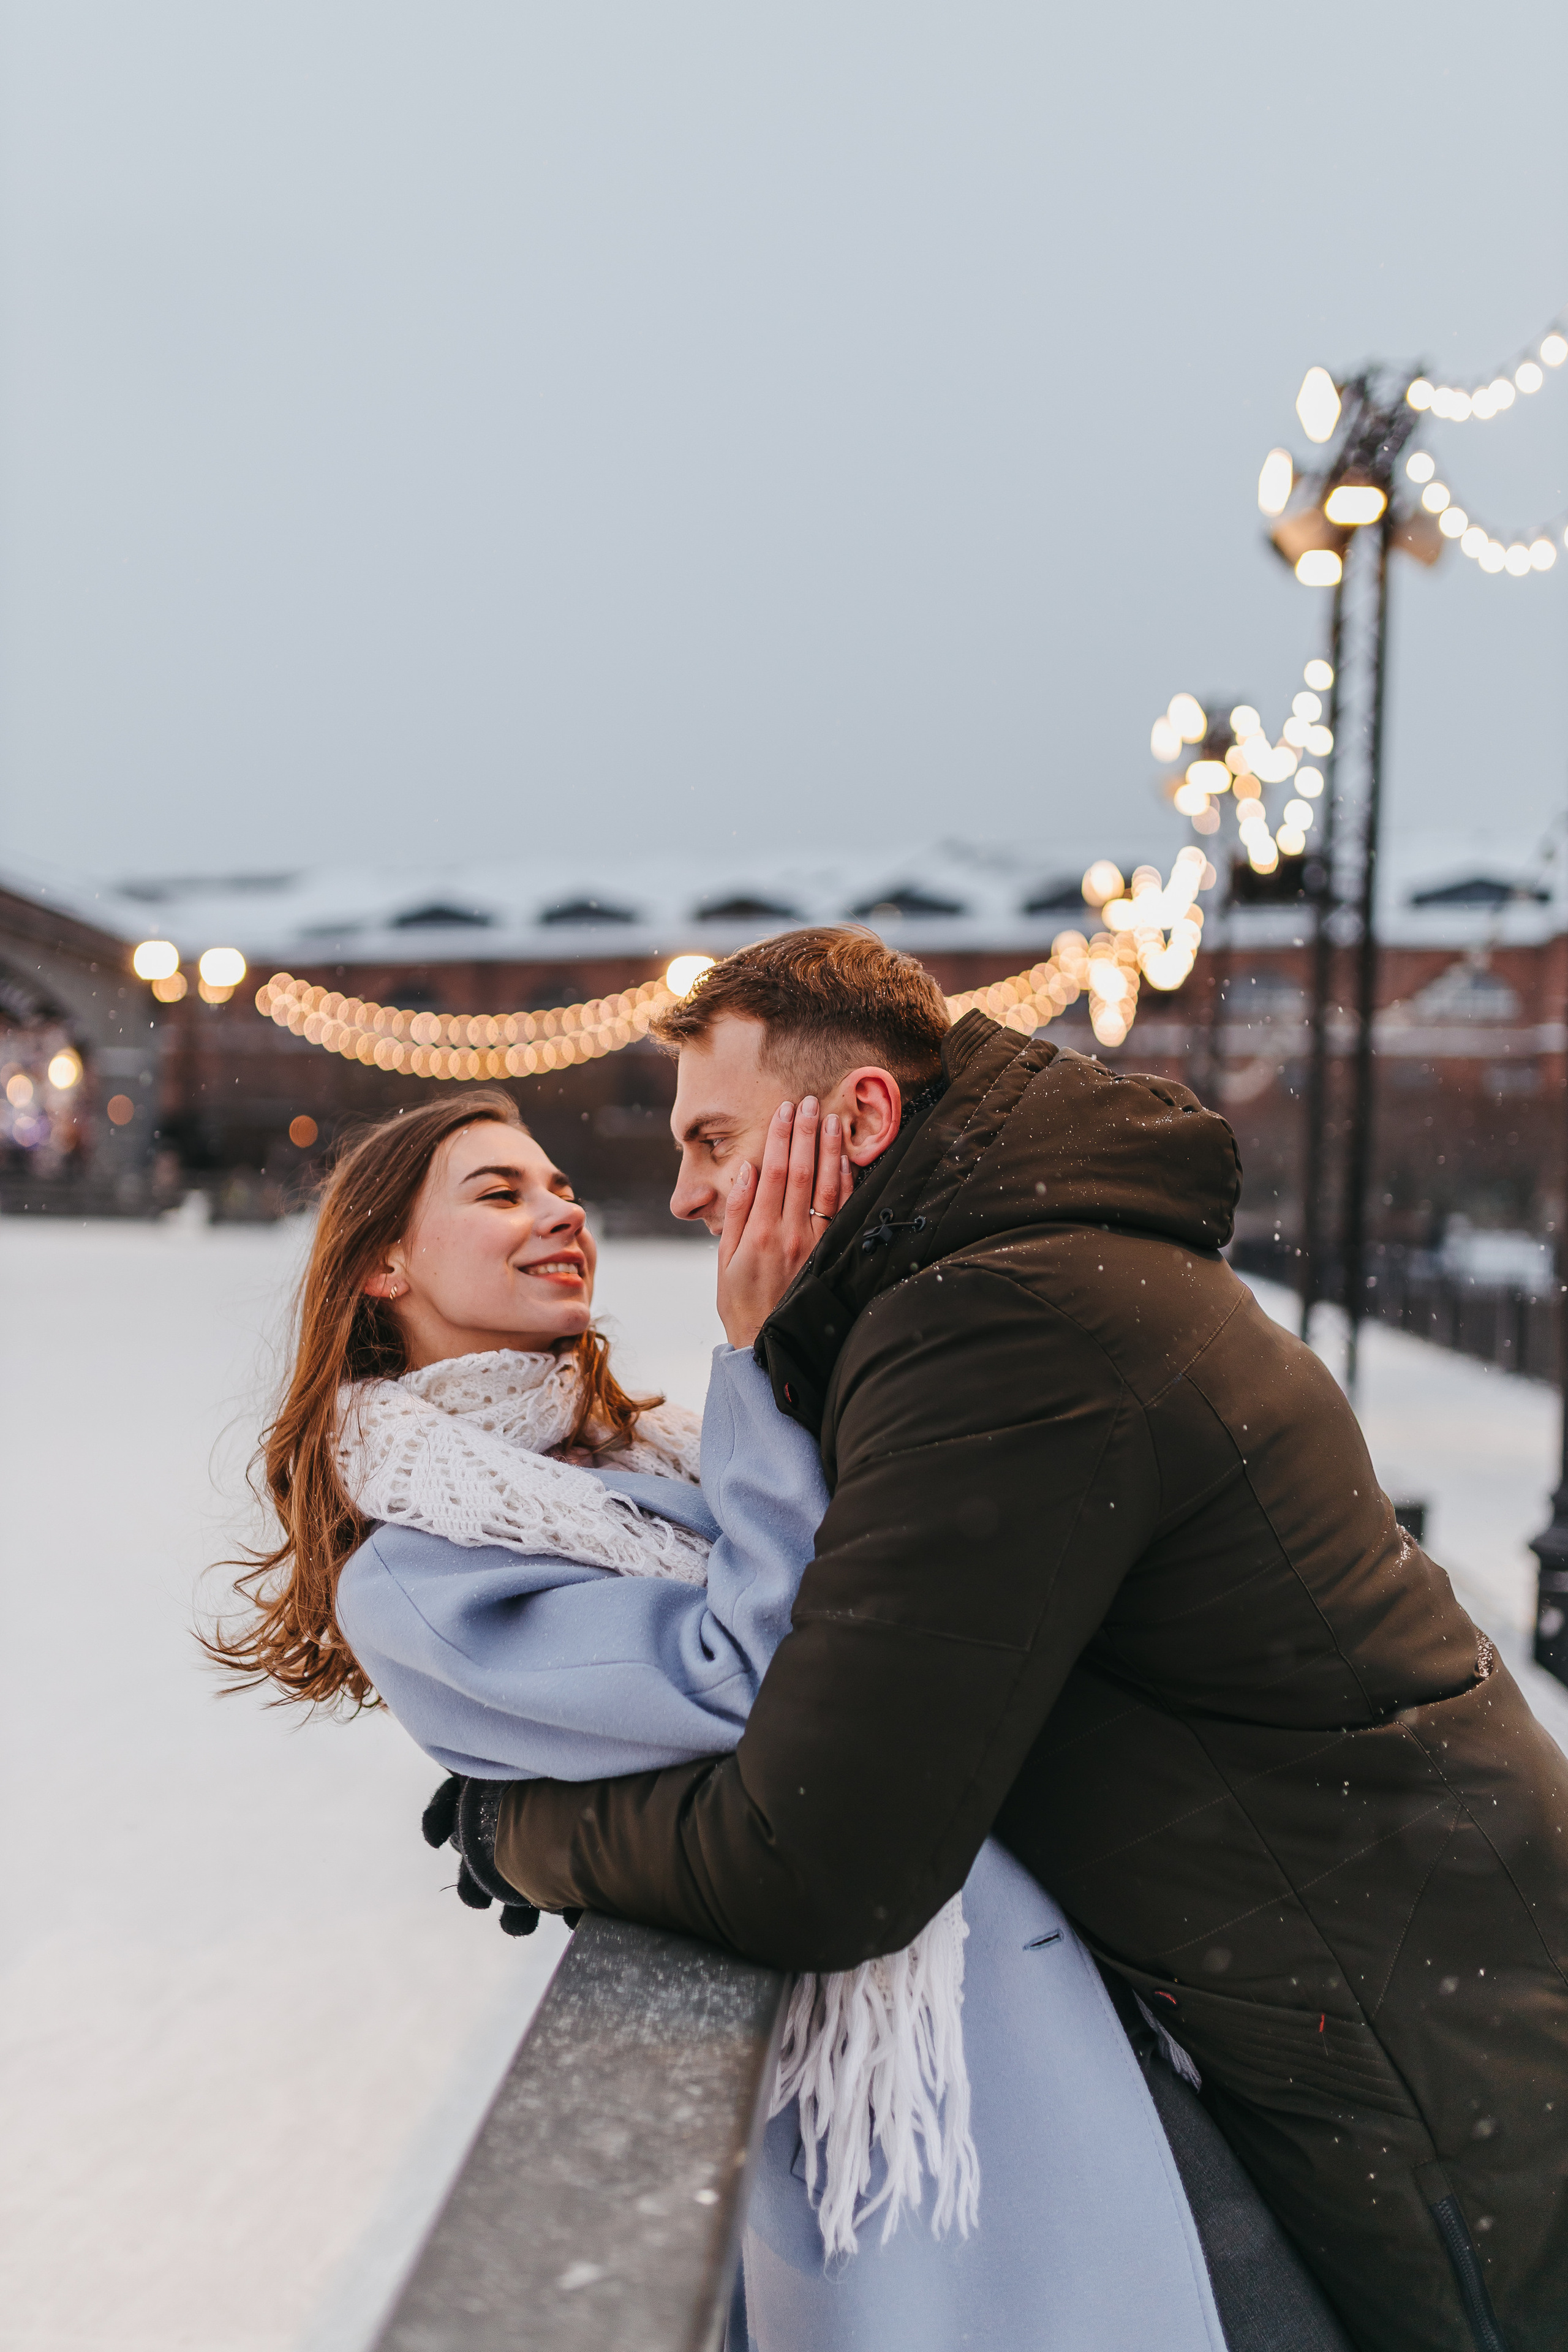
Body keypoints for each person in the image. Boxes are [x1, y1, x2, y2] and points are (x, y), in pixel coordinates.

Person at [466, 925, 1568, 2352]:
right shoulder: (1012, 1277)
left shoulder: (998, 1328)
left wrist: (515, 1829)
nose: (681, 1193)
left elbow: (816, 1859)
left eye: (715, 1142)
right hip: (1412, 1982)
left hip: (1413, 2044)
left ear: (856, 1118)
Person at [208, 1088, 1296, 2351]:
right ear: (381, 1265)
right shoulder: (416, 1577)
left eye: (561, 1187)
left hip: (1051, 1972)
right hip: (904, 2099)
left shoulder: (644, 1451)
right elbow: (763, 1672)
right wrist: (754, 1358)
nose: (559, 1211)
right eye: (500, 1192)